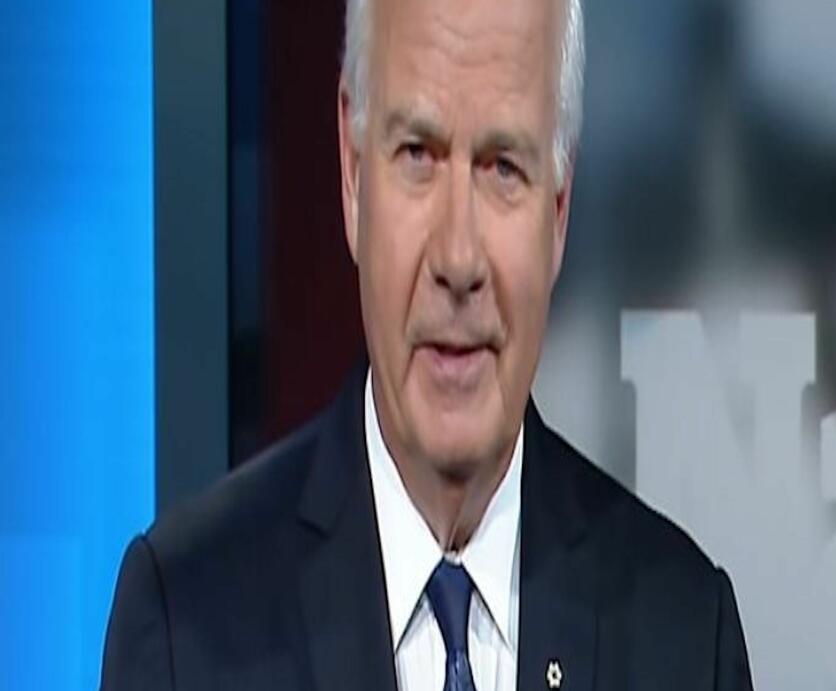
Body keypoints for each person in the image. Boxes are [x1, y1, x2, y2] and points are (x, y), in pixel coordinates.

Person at [101, 0, 754, 688]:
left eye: (503, 167)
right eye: (418, 155)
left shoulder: (683, 635)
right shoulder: (187, 623)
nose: (458, 258)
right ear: (354, 171)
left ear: (559, 210)